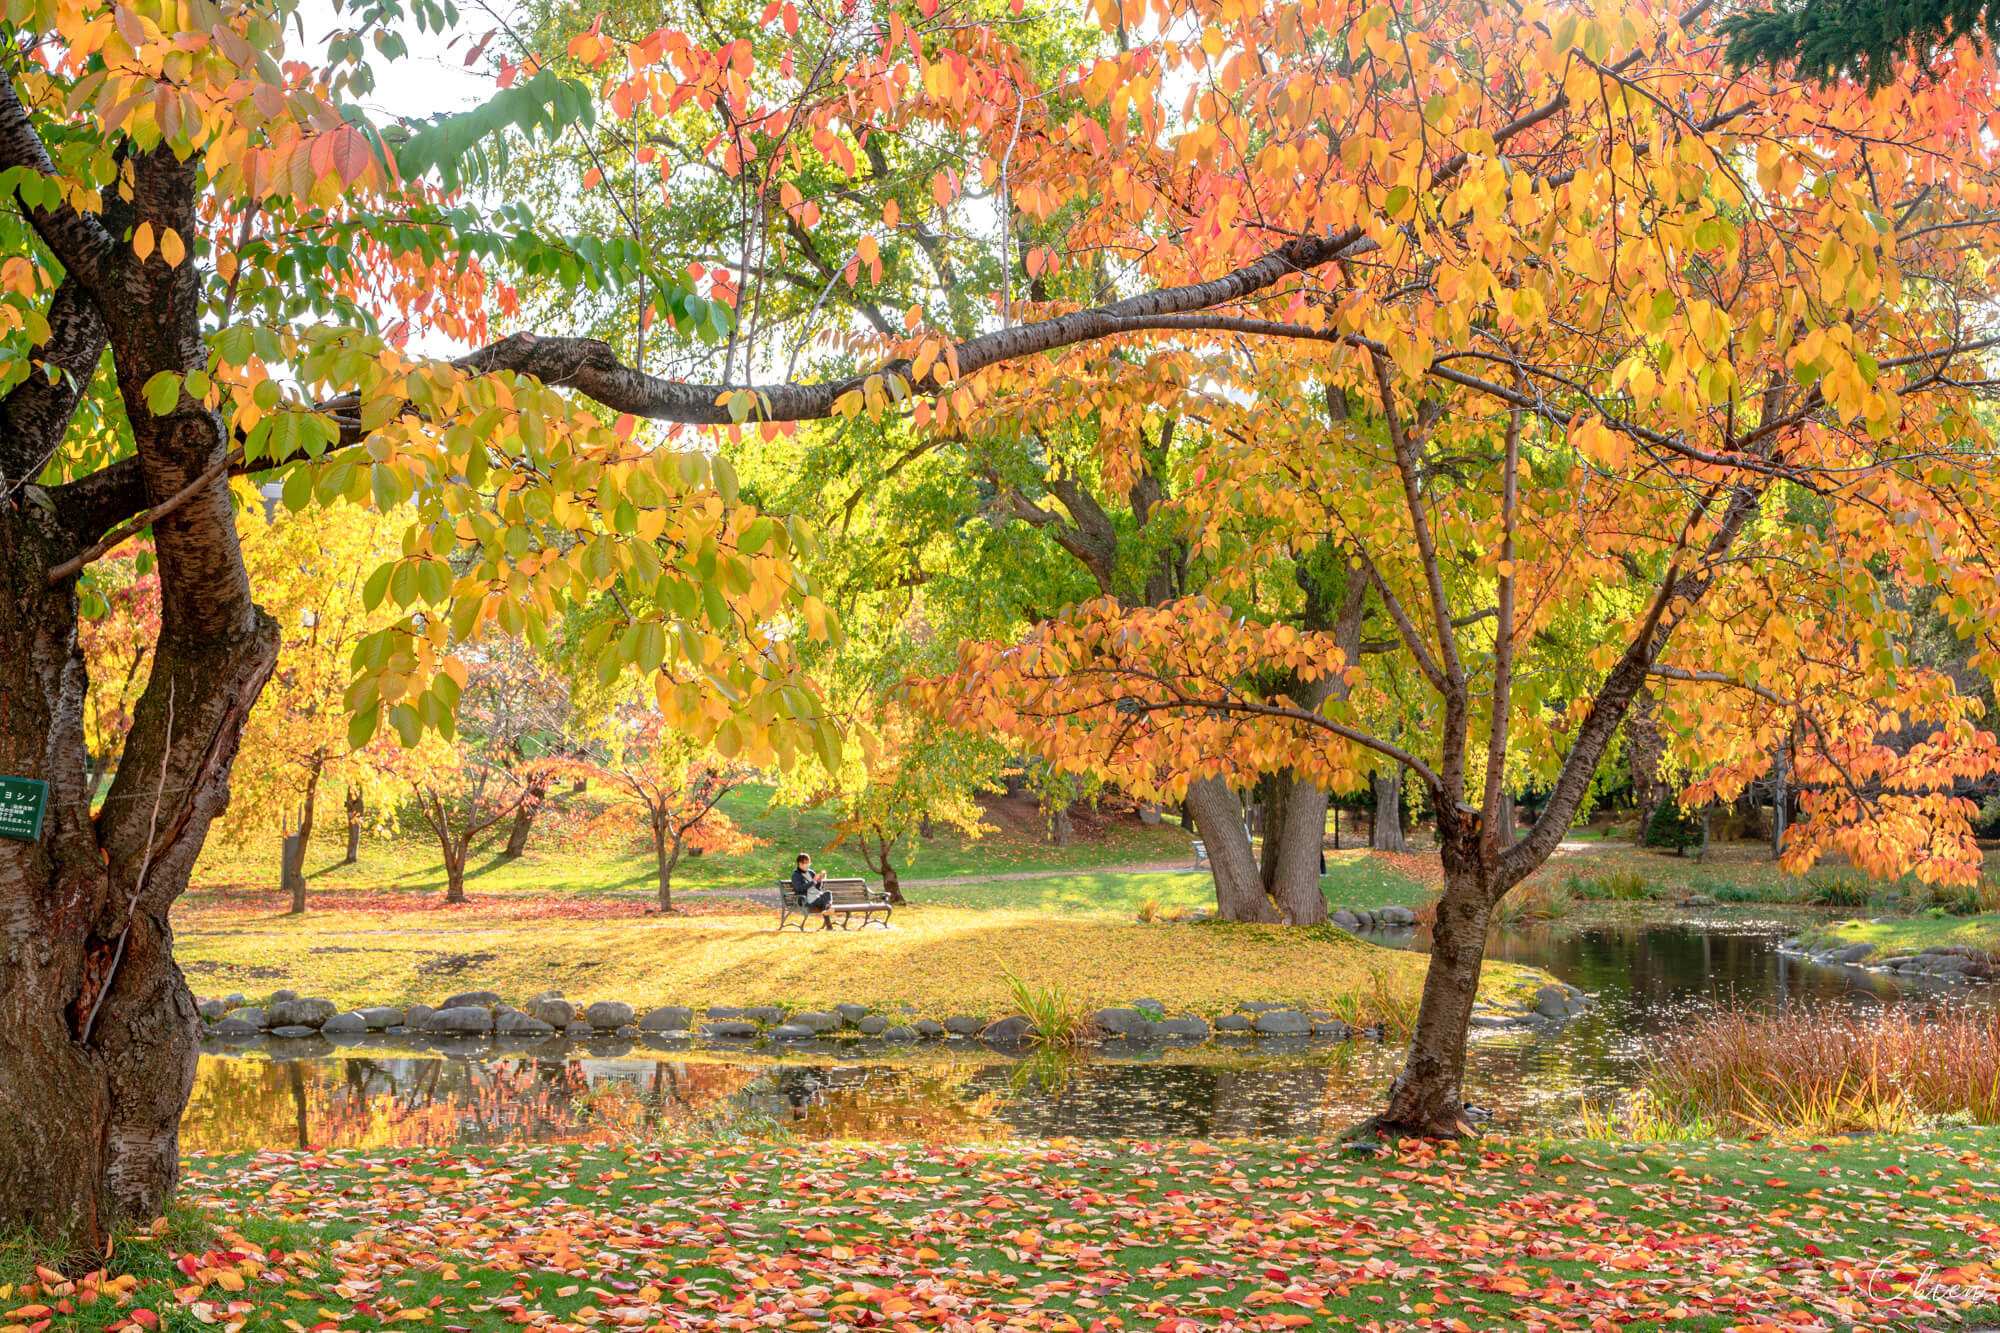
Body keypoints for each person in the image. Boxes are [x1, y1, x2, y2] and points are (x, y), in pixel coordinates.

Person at [790, 852, 834, 930]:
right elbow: (798, 888)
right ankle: (828, 919)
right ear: (800, 864)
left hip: (816, 896)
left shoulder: (811, 872)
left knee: (828, 893)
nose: (808, 865)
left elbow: (817, 888)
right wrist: (812, 882)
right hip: (806, 899)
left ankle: (827, 909)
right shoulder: (796, 875)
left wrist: (819, 881)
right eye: (806, 863)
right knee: (824, 902)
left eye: (808, 863)